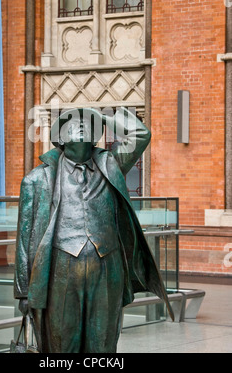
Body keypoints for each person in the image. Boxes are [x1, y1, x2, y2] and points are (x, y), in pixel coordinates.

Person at [14, 107, 174, 353]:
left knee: (104, 342)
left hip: (107, 268)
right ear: (61, 138)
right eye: (72, 124)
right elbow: (24, 240)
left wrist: (105, 118)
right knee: (62, 343)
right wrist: (24, 291)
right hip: (60, 270)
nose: (80, 125)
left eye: (87, 124)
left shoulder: (111, 164)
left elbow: (140, 134)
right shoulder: (36, 180)